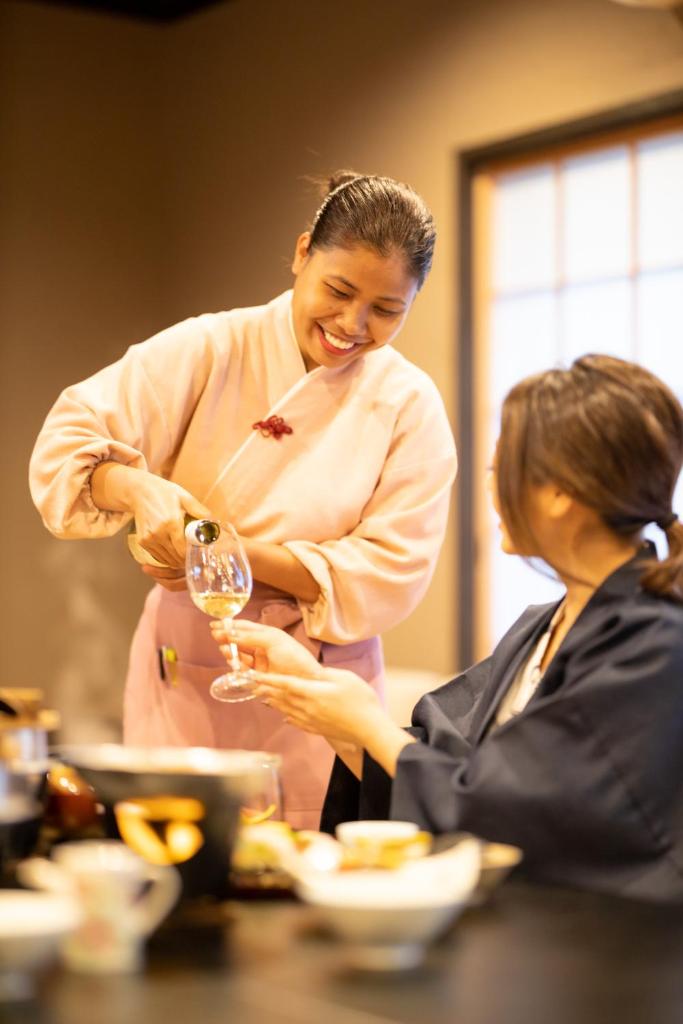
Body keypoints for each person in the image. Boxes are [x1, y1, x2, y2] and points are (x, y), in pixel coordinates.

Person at [29, 172, 457, 829]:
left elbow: (390, 572)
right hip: (188, 660)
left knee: (318, 877)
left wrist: (218, 551)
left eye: (386, 310)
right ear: (301, 252)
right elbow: (68, 443)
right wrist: (139, 489)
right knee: (182, 858)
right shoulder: (211, 346)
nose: (352, 324)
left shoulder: (408, 403)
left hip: (320, 679)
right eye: (338, 291)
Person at [215, 355, 683, 901]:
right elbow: (448, 765)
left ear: (560, 492)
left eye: (501, 469)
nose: (491, 487)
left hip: (605, 949)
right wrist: (325, 700)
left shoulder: (655, 646)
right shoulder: (544, 624)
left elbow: (522, 809)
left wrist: (367, 726)